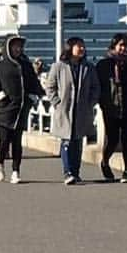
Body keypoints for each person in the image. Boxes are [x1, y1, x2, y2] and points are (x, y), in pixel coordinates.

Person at [0, 34, 43, 183]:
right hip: (5, 108)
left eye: (20, 46)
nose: (18, 49)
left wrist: (36, 94)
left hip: (21, 108)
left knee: (17, 142)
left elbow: (33, 82)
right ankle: (0, 165)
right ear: (8, 47)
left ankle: (16, 171)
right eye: (15, 46)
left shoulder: (25, 64)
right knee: (4, 141)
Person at [45, 36, 101, 185]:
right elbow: (50, 87)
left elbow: (96, 87)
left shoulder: (88, 67)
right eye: (78, 46)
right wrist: (57, 102)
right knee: (66, 141)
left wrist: (91, 102)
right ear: (70, 48)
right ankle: (67, 172)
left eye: (83, 46)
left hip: (82, 111)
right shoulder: (59, 67)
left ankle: (76, 172)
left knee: (78, 142)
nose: (81, 49)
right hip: (64, 110)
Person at [96, 34, 127, 182]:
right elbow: (98, 86)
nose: (124, 48)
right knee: (111, 140)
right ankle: (105, 161)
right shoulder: (104, 65)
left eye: (126, 45)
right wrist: (102, 102)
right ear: (114, 46)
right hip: (111, 107)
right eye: (121, 45)